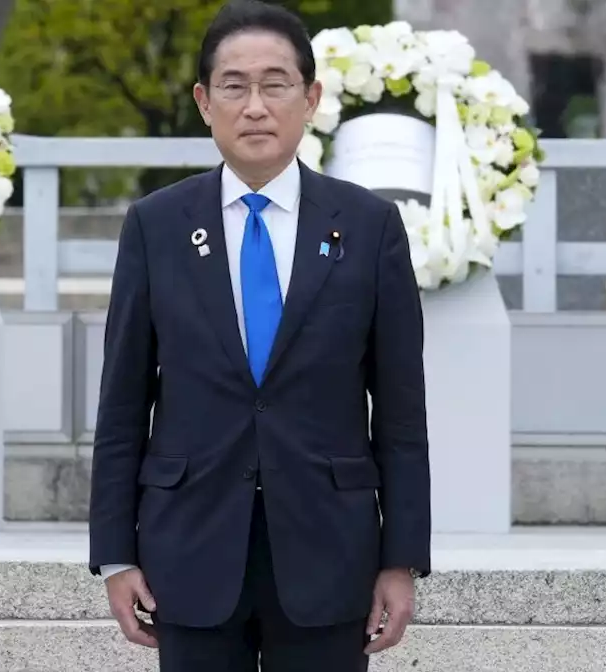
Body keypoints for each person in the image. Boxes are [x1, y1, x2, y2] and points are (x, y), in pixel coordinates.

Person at [86, 2, 431, 670]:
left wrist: (402, 560)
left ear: (310, 98)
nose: (255, 106)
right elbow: (123, 403)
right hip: (187, 549)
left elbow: (400, 413)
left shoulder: (369, 227)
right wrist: (115, 553)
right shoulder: (156, 227)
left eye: (275, 85)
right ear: (203, 102)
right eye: (233, 86)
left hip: (331, 551)